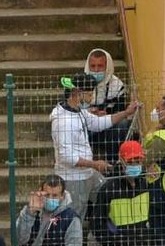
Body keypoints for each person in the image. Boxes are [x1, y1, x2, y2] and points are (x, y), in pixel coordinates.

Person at [52, 73, 134, 216]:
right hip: (73, 178)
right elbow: (66, 157)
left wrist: (126, 113)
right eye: (89, 94)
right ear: (77, 93)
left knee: (107, 194)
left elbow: (98, 123)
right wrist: (94, 164)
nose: (92, 98)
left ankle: (98, 231)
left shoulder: (79, 112)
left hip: (88, 173)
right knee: (75, 216)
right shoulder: (63, 121)